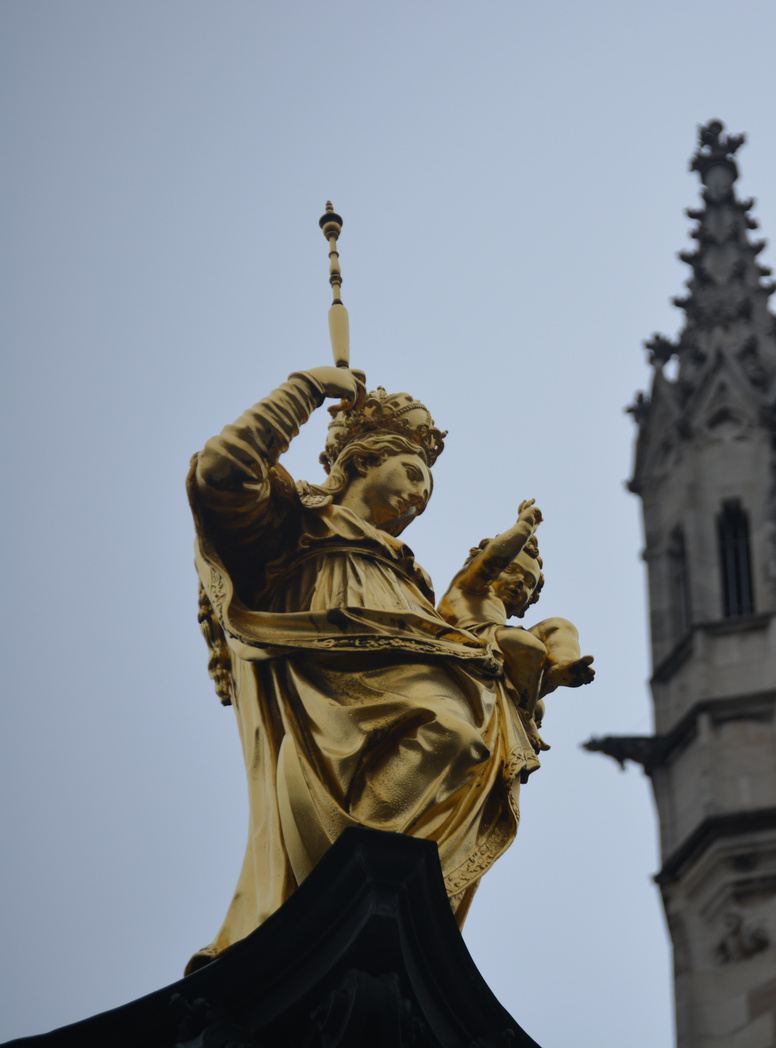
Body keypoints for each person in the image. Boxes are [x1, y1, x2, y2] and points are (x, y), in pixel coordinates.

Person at [187, 367, 543, 972]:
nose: (420, 495)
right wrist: (304, 389)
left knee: (466, 747)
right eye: (412, 473)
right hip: (322, 699)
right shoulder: (297, 518)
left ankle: (376, 893)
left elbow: (462, 639)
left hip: (402, 685)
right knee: (448, 731)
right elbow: (222, 469)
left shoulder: (411, 577)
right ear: (358, 462)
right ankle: (349, 889)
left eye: (427, 490)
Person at [437, 499, 596, 751]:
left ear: (529, 602)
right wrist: (524, 526)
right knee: (526, 645)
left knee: (559, 625)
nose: (519, 582)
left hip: (505, 654)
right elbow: (494, 558)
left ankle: (560, 665)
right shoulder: (470, 585)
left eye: (529, 583)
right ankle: (525, 716)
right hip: (468, 642)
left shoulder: (509, 627)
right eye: (511, 569)